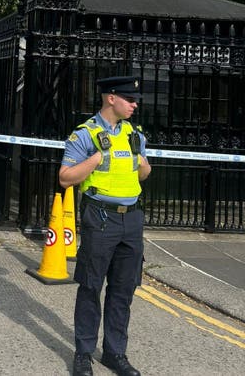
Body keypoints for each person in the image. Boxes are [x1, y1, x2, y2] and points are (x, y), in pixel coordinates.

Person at [59, 76, 152, 376]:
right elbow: (65, 177)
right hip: (101, 219)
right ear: (111, 98)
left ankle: (115, 353)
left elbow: (143, 173)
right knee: (91, 287)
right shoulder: (85, 134)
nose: (135, 104)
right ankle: (84, 354)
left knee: (124, 290)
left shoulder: (134, 134)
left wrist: (142, 162)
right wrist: (97, 158)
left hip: (132, 219)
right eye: (130, 99)